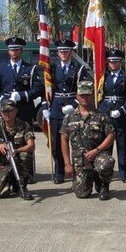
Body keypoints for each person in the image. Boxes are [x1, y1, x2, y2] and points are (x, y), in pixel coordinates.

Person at [0, 36, 43, 181]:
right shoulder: (1, 69)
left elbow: (37, 88)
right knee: (6, 141)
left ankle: (29, 173)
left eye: (17, 49)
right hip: (7, 112)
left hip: (24, 110)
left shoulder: (30, 68)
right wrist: (3, 100)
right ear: (8, 52)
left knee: (26, 142)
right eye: (11, 50)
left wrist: (22, 95)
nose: (14, 52)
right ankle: (8, 171)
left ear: (21, 51)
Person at [44, 39, 91, 184]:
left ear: (71, 52)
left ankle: (78, 170)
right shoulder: (52, 68)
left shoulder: (79, 69)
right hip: (57, 106)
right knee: (57, 142)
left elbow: (84, 89)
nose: (63, 53)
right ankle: (59, 171)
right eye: (61, 51)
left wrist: (74, 104)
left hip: (73, 106)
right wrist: (46, 107)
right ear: (57, 53)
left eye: (66, 51)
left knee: (77, 141)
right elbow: (46, 88)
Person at [61, 81, 115, 200]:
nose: (84, 98)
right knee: (82, 194)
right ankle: (88, 178)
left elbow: (111, 135)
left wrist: (97, 150)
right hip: (80, 161)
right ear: (77, 96)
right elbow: (64, 140)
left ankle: (104, 186)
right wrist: (67, 164)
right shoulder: (69, 118)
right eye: (82, 95)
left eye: (87, 95)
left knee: (107, 163)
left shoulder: (100, 115)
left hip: (98, 155)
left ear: (92, 95)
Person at [98, 48, 126, 183]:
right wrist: (104, 112)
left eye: (116, 62)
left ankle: (123, 173)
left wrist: (122, 110)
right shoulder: (103, 77)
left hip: (122, 116)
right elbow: (100, 97)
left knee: (123, 145)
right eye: (111, 62)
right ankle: (106, 171)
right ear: (108, 63)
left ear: (120, 62)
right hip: (107, 115)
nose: (113, 64)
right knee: (106, 145)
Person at [0, 100, 35, 200]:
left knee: (25, 155)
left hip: (18, 161)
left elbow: (31, 146)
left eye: (10, 111)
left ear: (16, 111)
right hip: (4, 164)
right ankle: (10, 181)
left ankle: (22, 186)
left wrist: (17, 150)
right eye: (4, 111)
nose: (7, 114)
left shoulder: (24, 125)